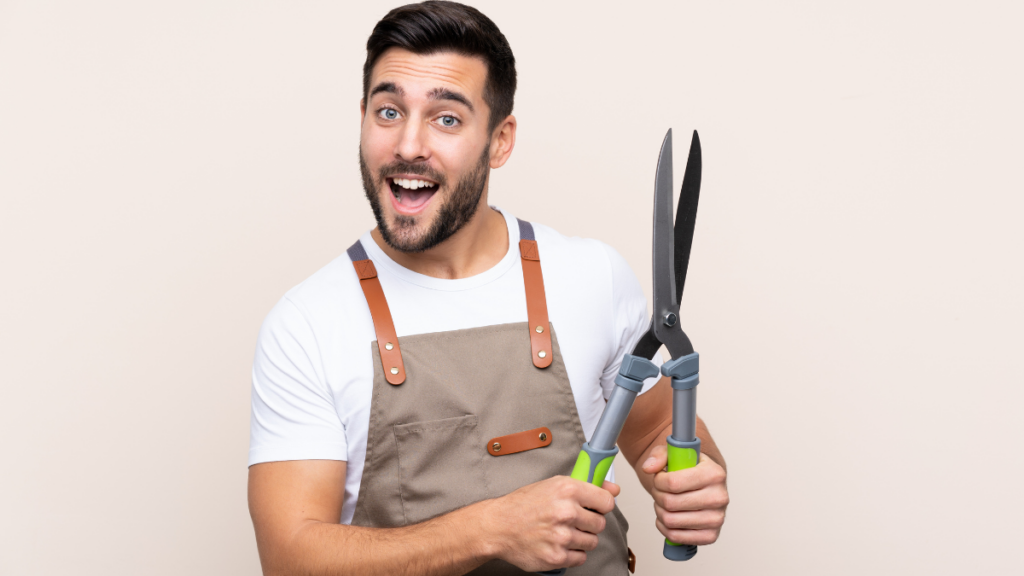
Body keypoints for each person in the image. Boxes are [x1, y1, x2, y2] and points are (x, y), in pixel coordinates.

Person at [247, 2, 728, 574]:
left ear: (500, 140)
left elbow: (655, 435)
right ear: (362, 118)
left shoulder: (590, 276)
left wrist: (691, 488)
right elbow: (291, 558)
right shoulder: (307, 323)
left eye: (446, 118)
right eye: (388, 111)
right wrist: (489, 529)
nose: (407, 145)